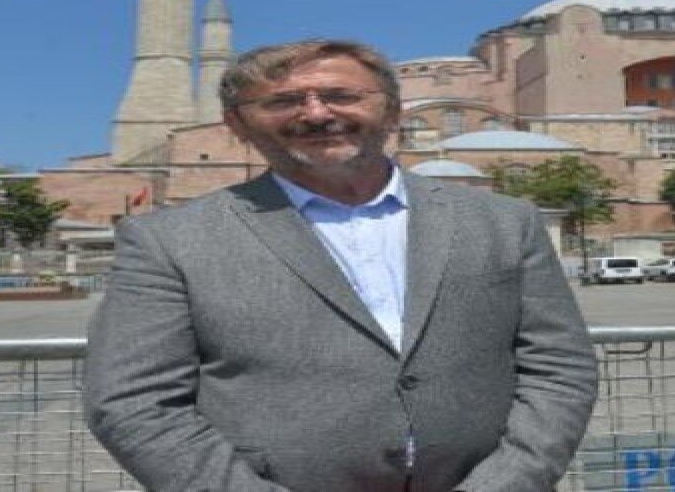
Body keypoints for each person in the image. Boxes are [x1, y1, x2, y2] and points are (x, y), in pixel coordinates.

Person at [84, 39, 600, 492]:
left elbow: (559, 370)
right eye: (282, 101)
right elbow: (134, 403)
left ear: (393, 112)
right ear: (236, 124)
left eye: (341, 95)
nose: (315, 113)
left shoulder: (502, 221)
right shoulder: (170, 240)